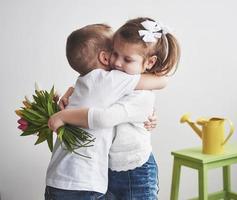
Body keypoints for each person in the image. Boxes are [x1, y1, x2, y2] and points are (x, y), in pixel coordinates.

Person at [48, 17, 180, 199]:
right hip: (109, 168)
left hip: (134, 167)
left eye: (126, 58)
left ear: (149, 62)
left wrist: (65, 115)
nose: (117, 63)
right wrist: (72, 91)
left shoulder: (135, 88)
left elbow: (106, 116)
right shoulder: (116, 79)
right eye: (115, 53)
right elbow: (94, 91)